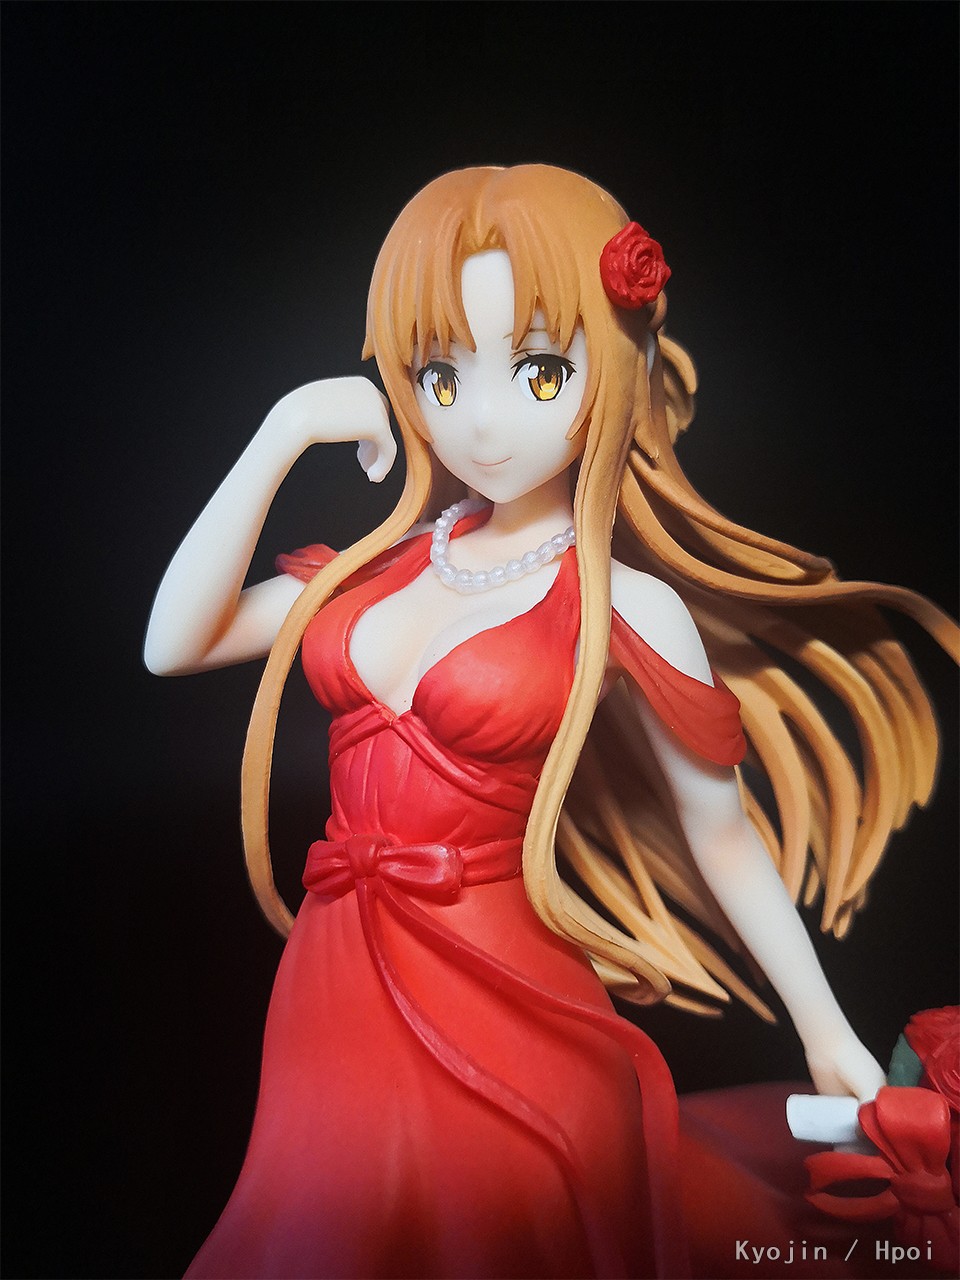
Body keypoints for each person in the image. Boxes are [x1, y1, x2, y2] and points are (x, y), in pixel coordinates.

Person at [144, 165, 958, 1279]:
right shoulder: (379, 570)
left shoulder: (624, 606)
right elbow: (173, 642)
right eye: (441, 373)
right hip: (331, 993)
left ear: (615, 370)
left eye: (538, 372)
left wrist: (825, 1031)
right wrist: (286, 429)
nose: (482, 421)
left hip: (506, 996)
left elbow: (721, 834)